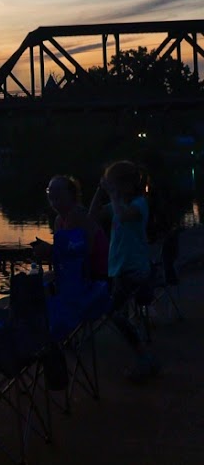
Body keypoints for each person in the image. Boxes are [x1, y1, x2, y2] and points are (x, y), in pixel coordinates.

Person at [89, 160, 160, 382]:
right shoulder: (118, 203)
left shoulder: (139, 204)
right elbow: (93, 216)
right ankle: (143, 358)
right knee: (116, 313)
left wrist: (112, 195)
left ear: (127, 185)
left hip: (133, 268)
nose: (113, 190)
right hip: (120, 268)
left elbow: (121, 215)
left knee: (114, 312)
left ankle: (144, 359)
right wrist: (100, 192)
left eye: (114, 185)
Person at [31, 174, 109, 339]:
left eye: (58, 190)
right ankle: (47, 333)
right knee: (33, 282)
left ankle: (49, 334)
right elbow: (64, 256)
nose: (52, 195)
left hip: (94, 276)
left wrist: (49, 251)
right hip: (77, 274)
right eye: (50, 191)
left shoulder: (77, 216)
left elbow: (77, 255)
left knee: (35, 287)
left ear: (72, 194)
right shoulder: (60, 220)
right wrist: (49, 252)